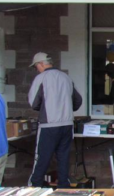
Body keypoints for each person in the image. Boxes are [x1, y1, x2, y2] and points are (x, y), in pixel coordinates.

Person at [28, 52, 83, 188]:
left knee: (42, 158)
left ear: (41, 64)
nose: (37, 69)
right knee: (64, 158)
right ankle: (64, 186)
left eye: (36, 67)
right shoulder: (66, 78)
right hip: (67, 125)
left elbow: (34, 103)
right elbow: (78, 100)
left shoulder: (41, 78)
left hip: (49, 125)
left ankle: (36, 186)